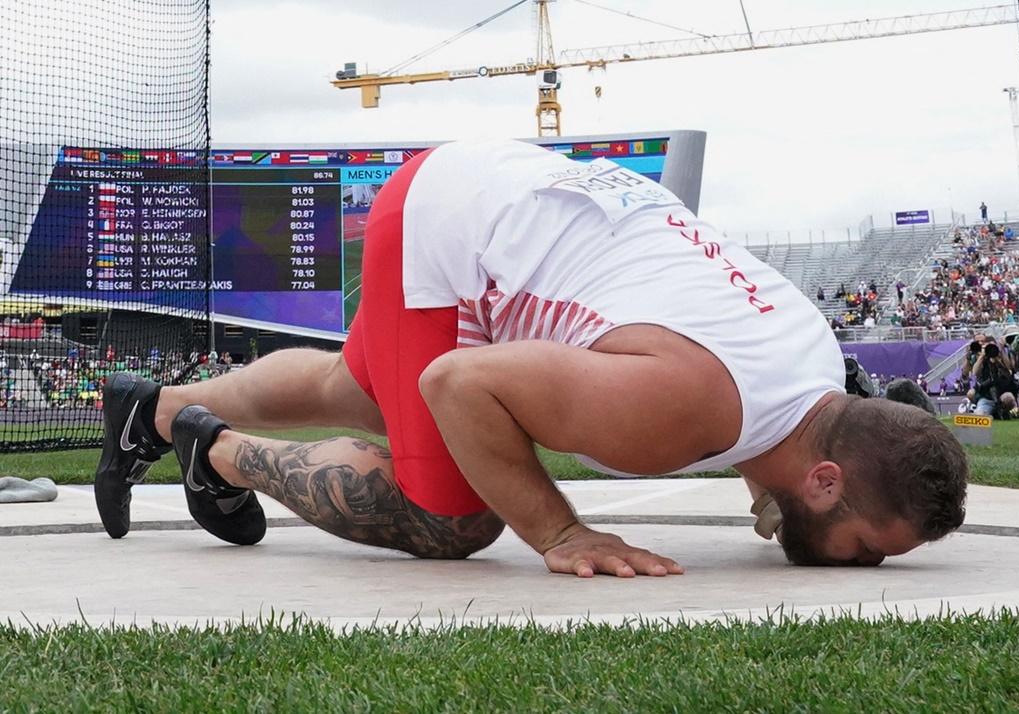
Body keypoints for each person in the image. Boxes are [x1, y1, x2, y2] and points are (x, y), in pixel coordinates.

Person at [93, 139, 968, 577]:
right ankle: (215, 451)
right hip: (450, 224)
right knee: (456, 516)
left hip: (504, 192)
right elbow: (457, 382)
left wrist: (764, 489)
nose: (865, 563)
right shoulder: (681, 410)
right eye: (867, 546)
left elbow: (756, 399)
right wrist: (558, 531)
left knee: (357, 391)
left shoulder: (808, 361)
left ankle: (156, 407)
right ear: (821, 479)